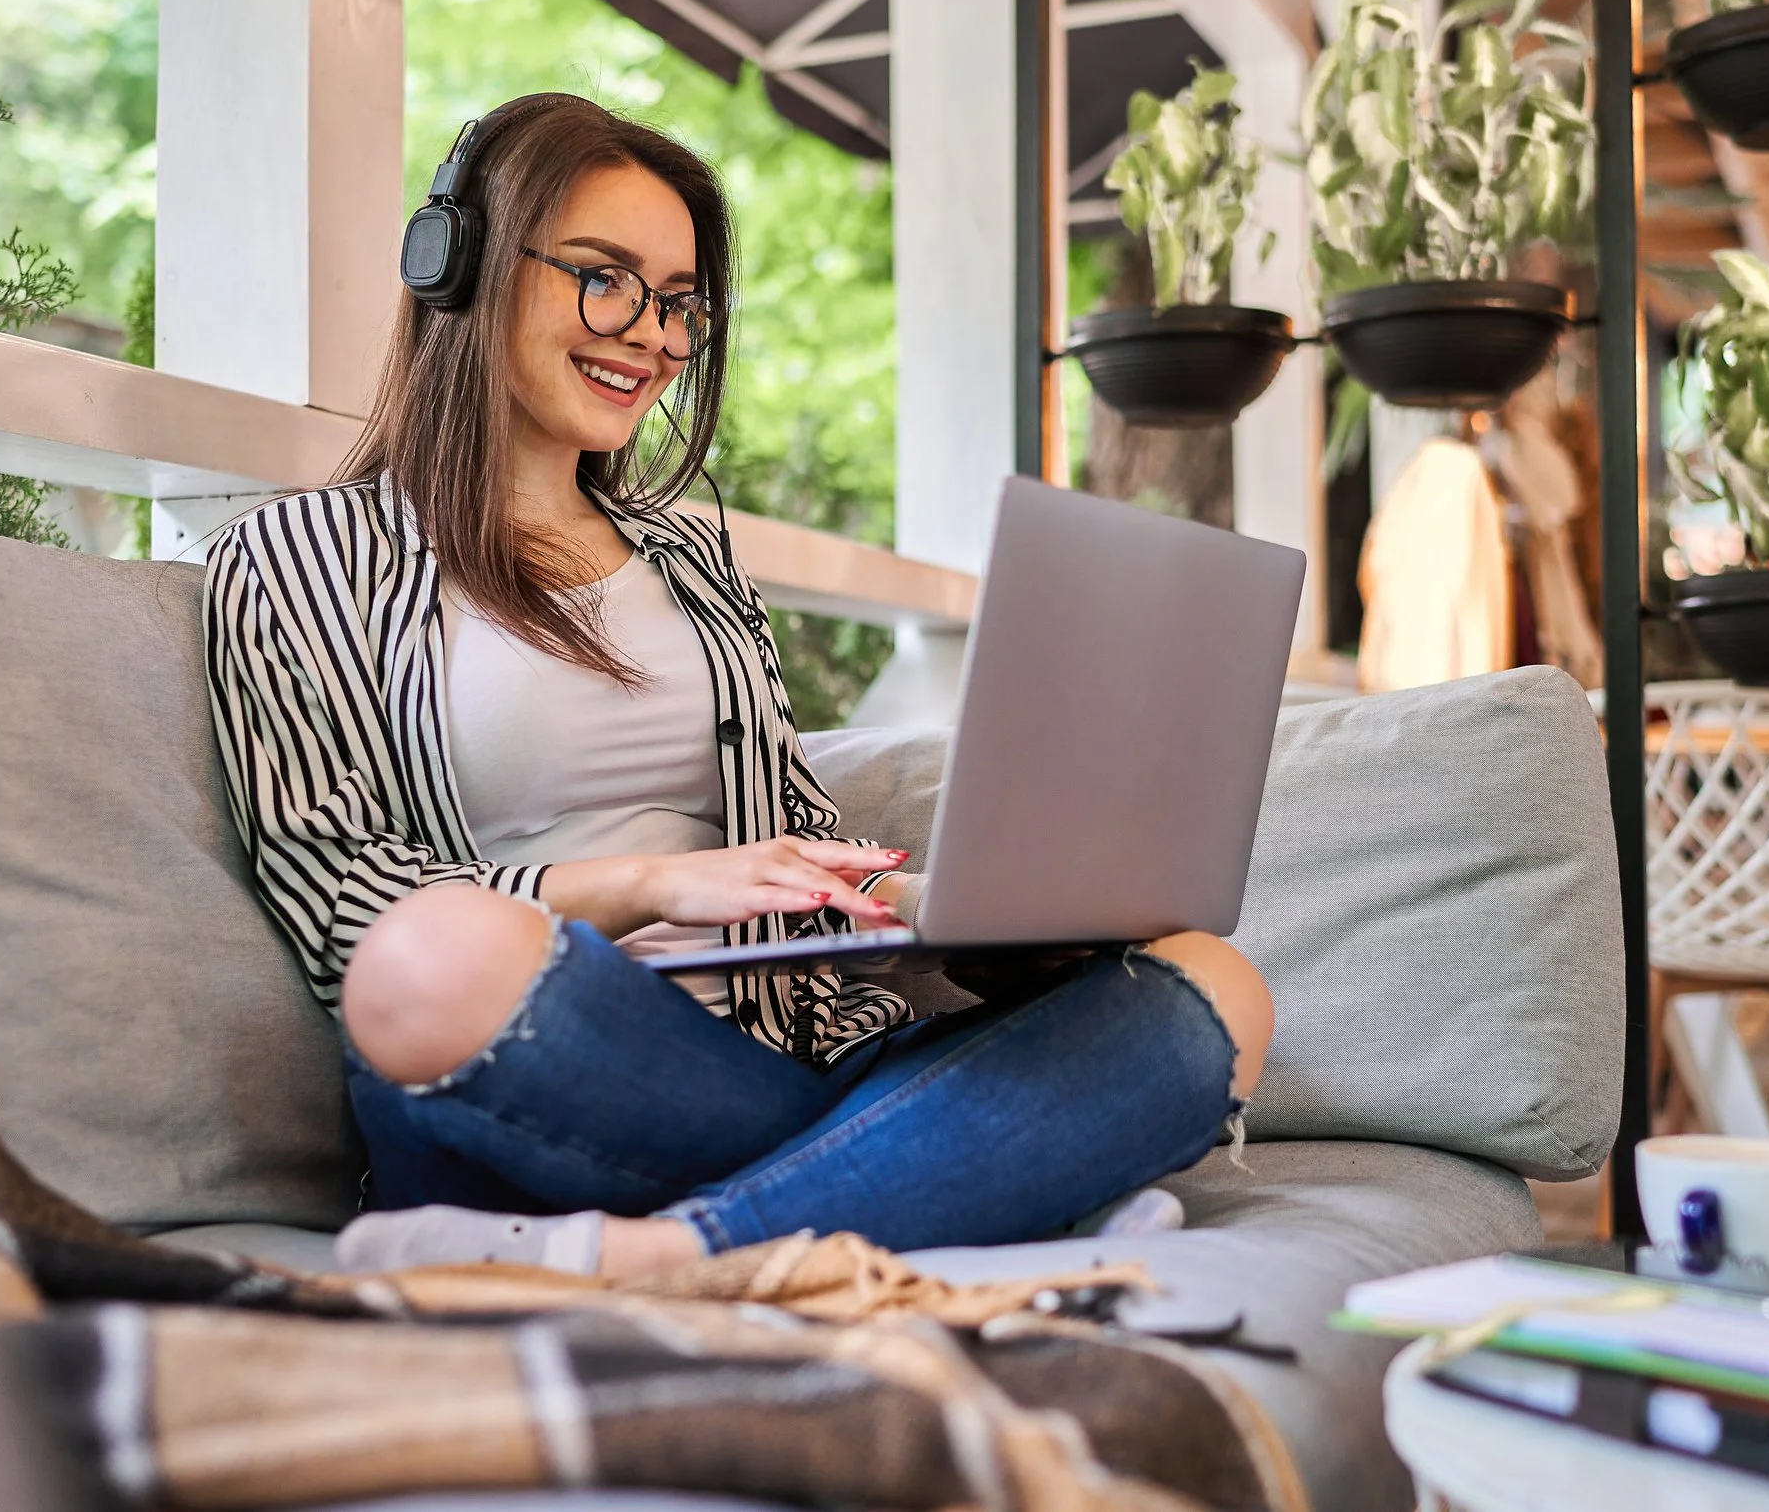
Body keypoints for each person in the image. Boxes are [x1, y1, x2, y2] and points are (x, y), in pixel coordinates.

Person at [202, 92, 1273, 1281]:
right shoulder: (294, 558)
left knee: (1212, 986)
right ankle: (979, 1182)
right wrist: (654, 879)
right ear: (459, 266)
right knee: (430, 956)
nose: (652, 336)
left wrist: (941, 915)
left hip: (777, 1058)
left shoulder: (690, 560)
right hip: (547, 1054)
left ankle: (669, 1251)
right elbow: (344, 906)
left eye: (679, 303)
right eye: (605, 277)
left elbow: (789, 842)